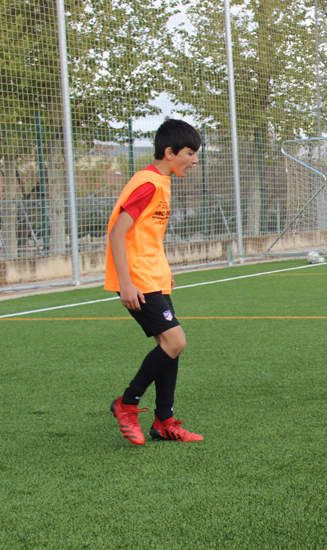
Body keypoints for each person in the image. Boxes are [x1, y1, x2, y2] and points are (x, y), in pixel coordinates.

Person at [105, 119, 204, 445]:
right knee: (176, 342)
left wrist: (163, 271)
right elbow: (119, 232)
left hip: (155, 278)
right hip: (139, 281)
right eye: (190, 153)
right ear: (170, 151)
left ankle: (164, 421)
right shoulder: (147, 182)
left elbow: (144, 236)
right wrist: (127, 282)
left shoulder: (162, 182)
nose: (194, 160)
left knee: (169, 348)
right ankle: (127, 403)